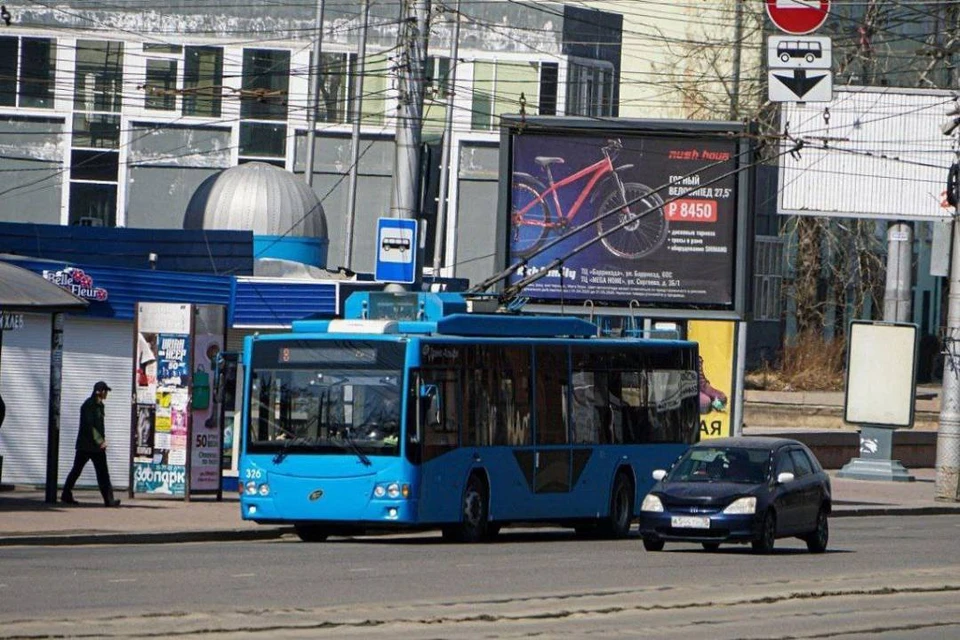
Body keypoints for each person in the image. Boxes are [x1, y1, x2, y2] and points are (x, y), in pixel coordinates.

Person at [61, 381, 121, 507]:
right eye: (105, 391)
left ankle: (109, 500)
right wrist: (100, 441)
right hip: (87, 445)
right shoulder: (88, 405)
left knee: (103, 473)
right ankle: (66, 494)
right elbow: (90, 426)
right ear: (99, 392)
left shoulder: (100, 406)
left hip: (95, 447)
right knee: (77, 470)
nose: (106, 394)